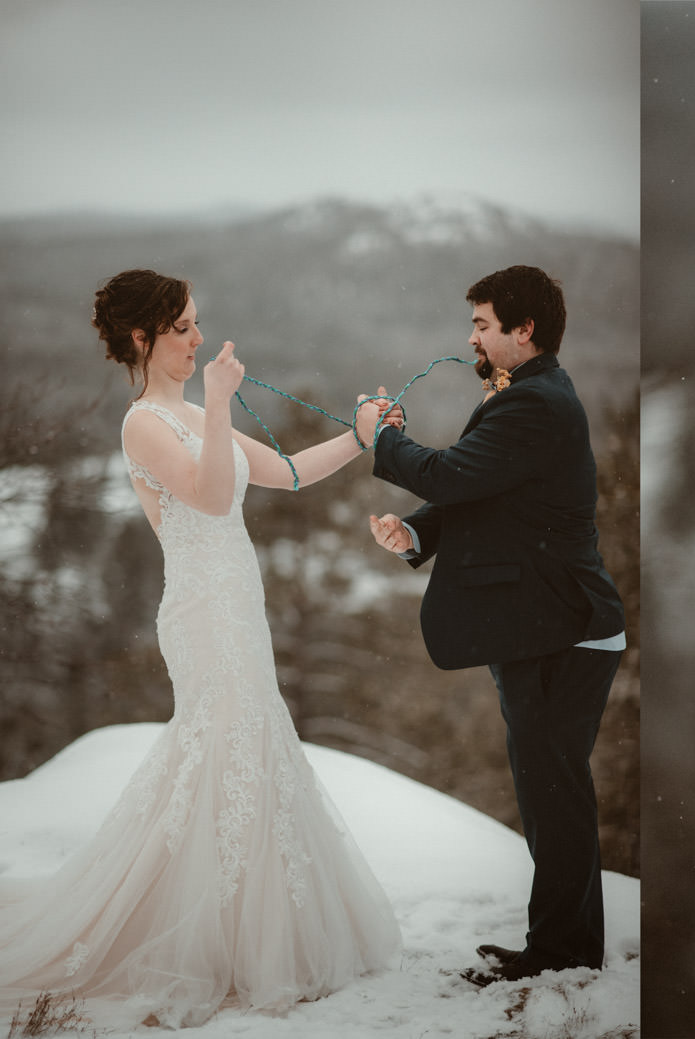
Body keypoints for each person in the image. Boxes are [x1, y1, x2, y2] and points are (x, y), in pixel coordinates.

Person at [0, 270, 399, 1029]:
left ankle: (243, 935)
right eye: (181, 327)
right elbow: (213, 495)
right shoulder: (146, 423)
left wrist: (359, 435)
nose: (196, 338)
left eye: (194, 323)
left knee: (247, 751)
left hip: (237, 609)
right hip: (202, 615)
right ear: (142, 338)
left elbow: (279, 473)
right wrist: (217, 401)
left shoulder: (188, 410)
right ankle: (204, 940)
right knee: (221, 752)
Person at [365, 265, 625, 987]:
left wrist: (378, 441)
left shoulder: (537, 404)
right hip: (548, 626)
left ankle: (564, 955)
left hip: (560, 628)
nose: (470, 336)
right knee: (551, 794)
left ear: (523, 330)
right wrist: (415, 536)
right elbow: (480, 497)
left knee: (555, 796)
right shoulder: (532, 398)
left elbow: (449, 474)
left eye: (481, 324)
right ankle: (560, 945)